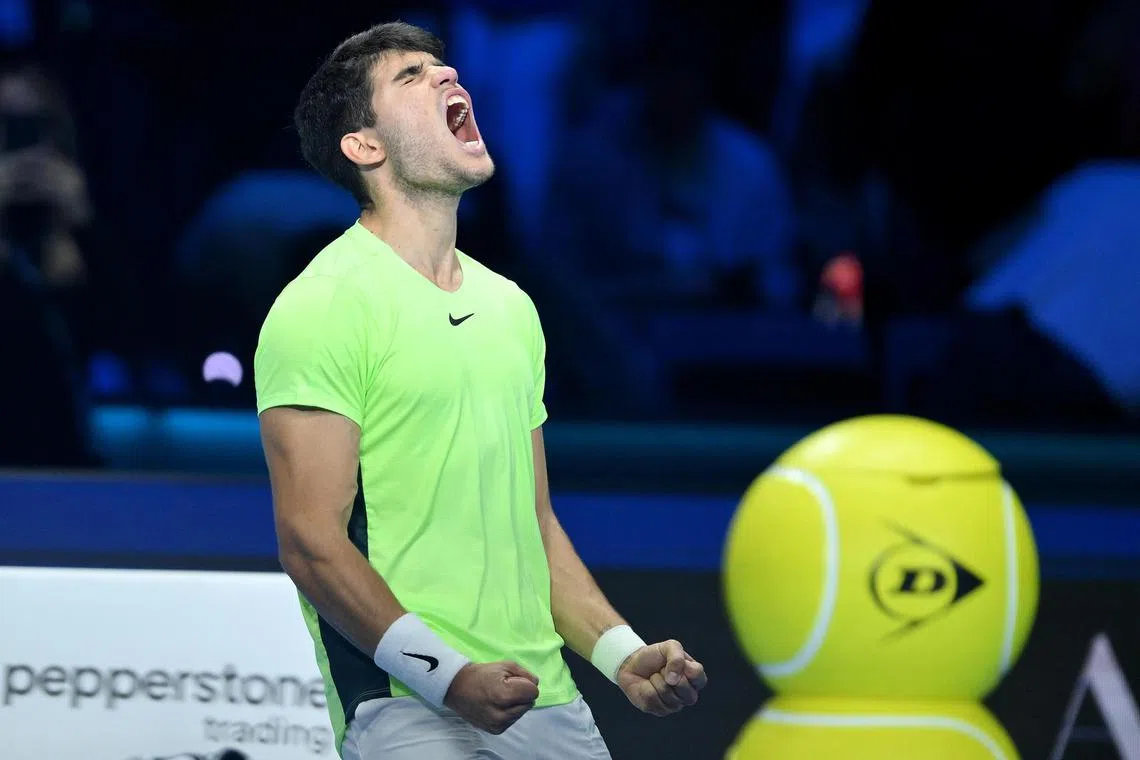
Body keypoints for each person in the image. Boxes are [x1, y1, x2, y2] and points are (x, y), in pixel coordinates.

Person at [253, 21, 707, 760]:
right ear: (363, 146)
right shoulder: (323, 304)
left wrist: (621, 654)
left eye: (441, 66)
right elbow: (311, 544)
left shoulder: (511, 308)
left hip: (546, 698)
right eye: (409, 76)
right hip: (406, 704)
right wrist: (447, 676)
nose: (445, 75)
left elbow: (531, 524)